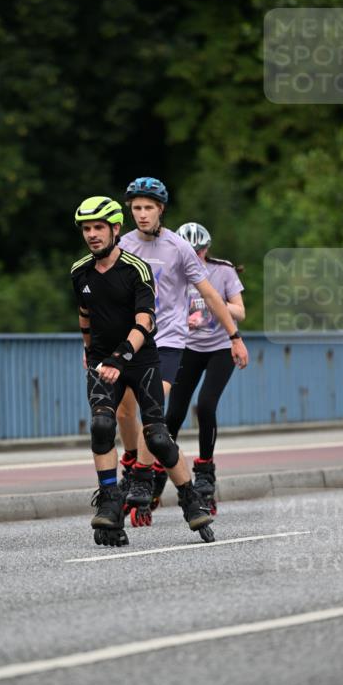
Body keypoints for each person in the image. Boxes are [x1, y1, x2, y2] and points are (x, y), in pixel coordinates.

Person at [70, 195, 216, 546]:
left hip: (140, 360)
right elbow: (85, 314)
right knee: (102, 426)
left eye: (99, 228)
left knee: (157, 438)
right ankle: (109, 500)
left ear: (115, 229)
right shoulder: (79, 271)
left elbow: (146, 320)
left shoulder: (136, 269)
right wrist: (89, 351)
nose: (92, 235)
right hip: (104, 360)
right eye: (86, 229)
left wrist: (120, 357)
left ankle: (190, 499)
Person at [116, 177, 248, 523]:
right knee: (126, 414)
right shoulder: (122, 245)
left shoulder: (179, 248)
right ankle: (137, 466)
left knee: (159, 409)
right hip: (133, 338)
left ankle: (145, 476)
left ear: (160, 209)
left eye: (148, 207)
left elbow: (211, 296)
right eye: (136, 208)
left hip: (171, 341)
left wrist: (234, 336)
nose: (142, 214)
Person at [165, 222, 246, 512]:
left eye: (199, 251)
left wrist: (214, 301)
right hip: (187, 347)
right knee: (173, 413)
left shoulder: (223, 271)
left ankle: (205, 472)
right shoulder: (172, 273)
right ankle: (157, 471)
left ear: (206, 249)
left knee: (206, 406)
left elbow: (240, 311)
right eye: (189, 252)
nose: (195, 257)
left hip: (220, 348)